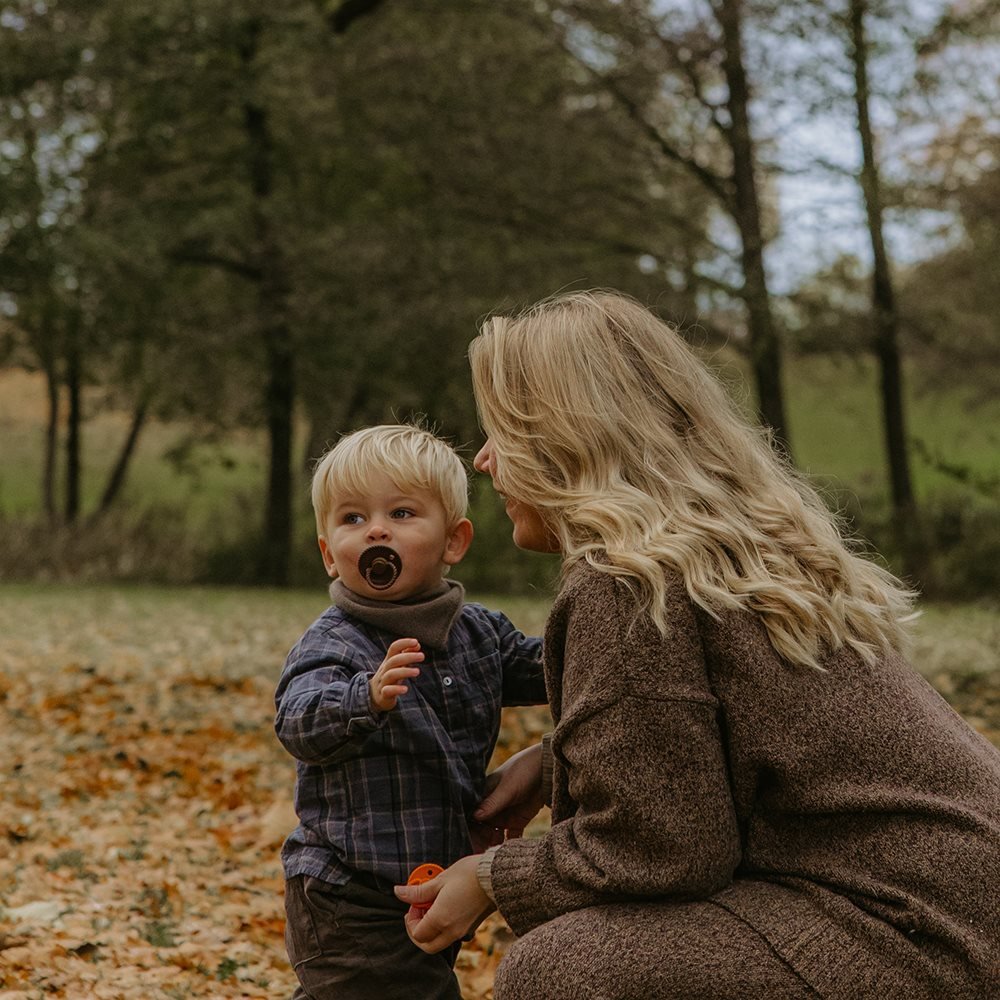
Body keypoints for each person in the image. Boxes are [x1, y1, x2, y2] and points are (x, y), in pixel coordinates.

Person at [393, 291, 1000, 999]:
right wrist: (556, 765)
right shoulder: (725, 553)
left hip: (918, 936)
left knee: (564, 972)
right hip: (962, 910)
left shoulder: (624, 583)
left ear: (565, 435)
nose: (486, 459)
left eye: (502, 430)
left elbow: (665, 851)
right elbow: (712, 759)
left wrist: (493, 878)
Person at [274, 423, 546, 1000]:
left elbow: (554, 668)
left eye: (401, 513)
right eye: (351, 519)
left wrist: (605, 635)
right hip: (349, 893)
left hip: (427, 880)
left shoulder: (481, 634)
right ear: (329, 555)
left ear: (453, 542)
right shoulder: (336, 644)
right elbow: (298, 722)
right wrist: (363, 698)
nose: (374, 529)